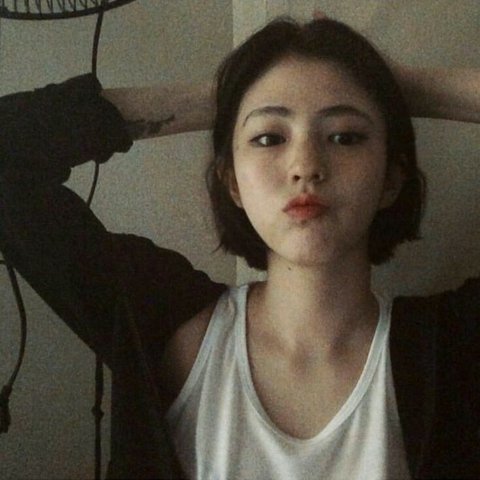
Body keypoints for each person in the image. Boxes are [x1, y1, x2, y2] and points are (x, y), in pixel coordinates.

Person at [0, 15, 478, 480]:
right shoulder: (165, 329)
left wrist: (400, 91)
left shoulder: (454, 350)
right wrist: (232, 94)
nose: (305, 166)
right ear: (232, 181)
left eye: (345, 136)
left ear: (391, 177)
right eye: (268, 137)